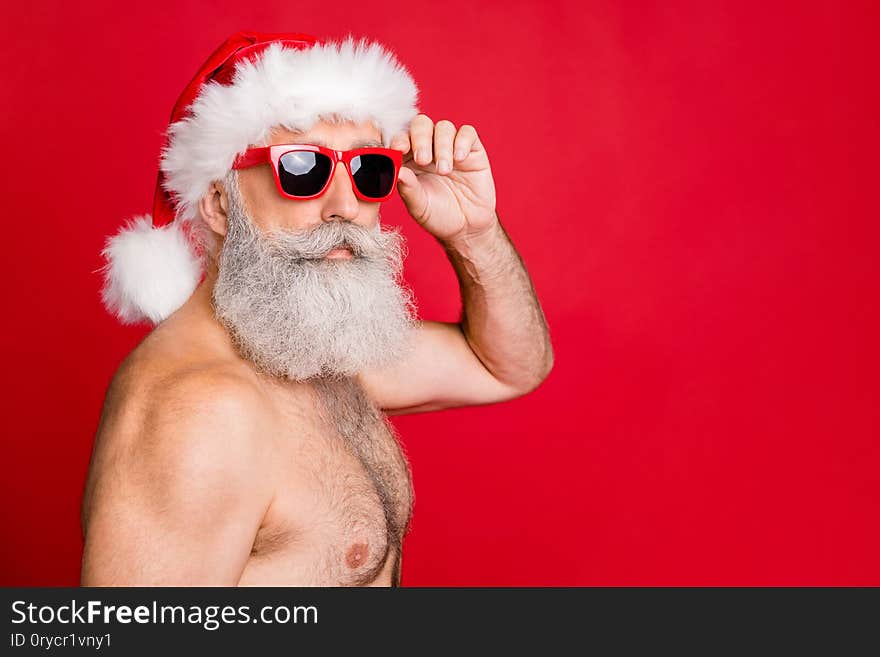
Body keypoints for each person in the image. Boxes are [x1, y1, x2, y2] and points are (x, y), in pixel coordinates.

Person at [80, 31, 554, 586]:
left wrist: (473, 234)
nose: (346, 206)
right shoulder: (201, 412)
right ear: (217, 204)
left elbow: (509, 367)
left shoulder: (312, 347)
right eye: (303, 168)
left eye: (367, 170)